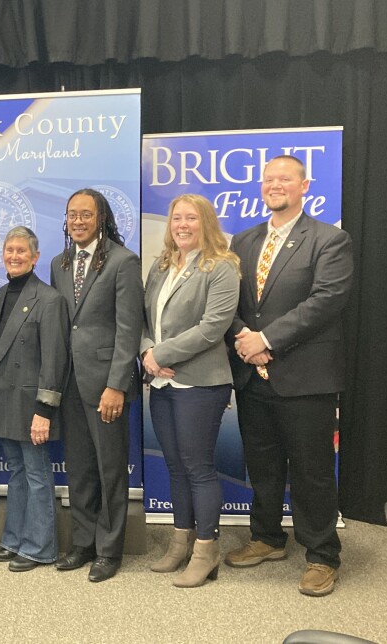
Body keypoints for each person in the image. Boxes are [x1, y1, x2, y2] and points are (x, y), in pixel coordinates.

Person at [224, 155, 354, 597]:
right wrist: (244, 336)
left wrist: (267, 340)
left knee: (312, 470)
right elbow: (229, 302)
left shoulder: (329, 240)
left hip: (305, 379)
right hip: (252, 378)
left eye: (284, 179)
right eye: (268, 180)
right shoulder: (242, 241)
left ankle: (321, 555)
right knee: (261, 465)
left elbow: (327, 300)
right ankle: (267, 538)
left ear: (304, 186)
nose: (274, 185)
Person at [141, 194, 240, 588]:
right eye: (176, 218)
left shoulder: (222, 268)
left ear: (206, 223)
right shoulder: (162, 265)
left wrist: (162, 352)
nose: (182, 224)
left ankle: (206, 550)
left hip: (202, 383)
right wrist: (148, 352)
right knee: (176, 467)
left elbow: (213, 327)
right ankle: (179, 542)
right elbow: (143, 318)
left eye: (191, 218)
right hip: (162, 382)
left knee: (198, 468)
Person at [50, 188, 142, 583]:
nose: (78, 221)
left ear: (101, 218)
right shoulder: (59, 262)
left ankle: (108, 550)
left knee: (109, 470)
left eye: (86, 214)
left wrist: (117, 385)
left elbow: (128, 328)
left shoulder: (123, 261)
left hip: (105, 384)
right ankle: (83, 543)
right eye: (73, 214)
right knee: (80, 470)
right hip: (69, 383)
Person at [0, 227, 69, 572]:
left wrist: (44, 411)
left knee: (36, 473)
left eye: (22, 251)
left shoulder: (49, 300)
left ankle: (39, 546)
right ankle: (14, 539)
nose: (14, 256)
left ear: (35, 258)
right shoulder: (0, 295)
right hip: (4, 400)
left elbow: (54, 361)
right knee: (17, 472)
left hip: (31, 404)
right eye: (9, 250)